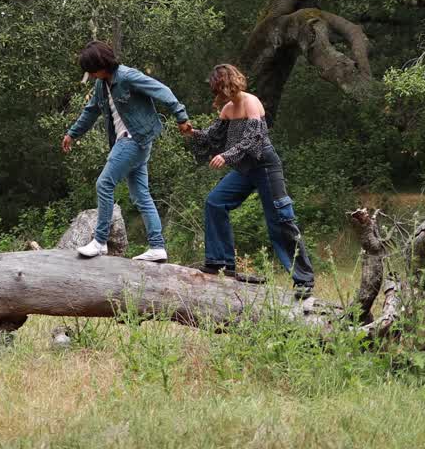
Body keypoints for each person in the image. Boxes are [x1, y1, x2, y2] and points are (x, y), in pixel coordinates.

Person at [188, 64, 314, 297]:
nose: (217, 93)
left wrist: (227, 156)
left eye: (219, 87)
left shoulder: (251, 102)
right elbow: (212, 137)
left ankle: (304, 280)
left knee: (280, 219)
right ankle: (220, 264)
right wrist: (192, 132)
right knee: (215, 202)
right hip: (245, 169)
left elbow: (254, 137)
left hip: (265, 165)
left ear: (228, 83)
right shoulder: (227, 109)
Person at [62, 40, 194, 261]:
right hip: (129, 142)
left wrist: (181, 117)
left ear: (100, 65)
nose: (91, 75)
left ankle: (100, 241)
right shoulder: (101, 84)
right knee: (141, 195)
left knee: (104, 183)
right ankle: (157, 247)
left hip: (135, 139)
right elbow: (91, 111)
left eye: (91, 70)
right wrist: (72, 133)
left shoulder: (127, 76)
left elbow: (163, 90)